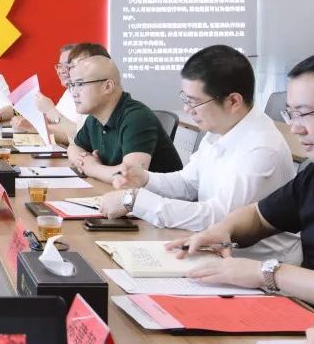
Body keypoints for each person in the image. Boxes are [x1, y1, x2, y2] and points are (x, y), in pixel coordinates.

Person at [96, 45, 300, 263]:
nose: (187, 109)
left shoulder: (262, 148)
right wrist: (145, 179)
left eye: (195, 102)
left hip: (256, 264)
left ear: (233, 101)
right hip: (214, 252)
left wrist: (134, 201)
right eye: (185, 99)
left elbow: (220, 219)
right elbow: (188, 183)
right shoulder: (220, 130)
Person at [171, 48, 314, 308]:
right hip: (306, 314)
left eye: (304, 113)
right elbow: (259, 216)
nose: (294, 128)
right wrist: (222, 231)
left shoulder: (263, 145)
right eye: (290, 114)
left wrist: (266, 273)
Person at [67, 56, 183, 182]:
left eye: (80, 84)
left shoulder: (137, 117)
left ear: (107, 86)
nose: (73, 93)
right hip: (118, 191)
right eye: (72, 85)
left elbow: (131, 176)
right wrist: (84, 161)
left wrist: (92, 168)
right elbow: (73, 147)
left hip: (154, 194)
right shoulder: (94, 118)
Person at [13, 43, 110, 140]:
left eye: (68, 65)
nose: (61, 71)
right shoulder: (70, 91)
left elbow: (80, 136)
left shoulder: (95, 96)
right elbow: (60, 124)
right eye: (60, 66)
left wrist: (48, 113)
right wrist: (29, 119)